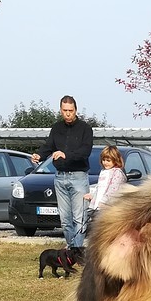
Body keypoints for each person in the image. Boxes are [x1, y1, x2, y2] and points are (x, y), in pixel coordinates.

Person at [31, 95, 94, 249]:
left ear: (76, 110)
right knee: (65, 220)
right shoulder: (56, 128)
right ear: (60, 110)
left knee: (79, 218)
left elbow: (85, 151)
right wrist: (39, 155)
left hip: (79, 176)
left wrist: (67, 155)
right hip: (59, 177)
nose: (68, 113)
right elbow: (48, 146)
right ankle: (72, 249)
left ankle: (76, 251)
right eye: (65, 110)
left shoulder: (85, 128)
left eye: (70, 111)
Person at [84, 146, 127, 220]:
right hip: (98, 207)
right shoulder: (103, 172)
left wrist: (103, 202)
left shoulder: (117, 173)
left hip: (108, 207)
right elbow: (99, 188)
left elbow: (113, 190)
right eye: (103, 160)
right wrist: (92, 195)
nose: (105, 163)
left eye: (108, 160)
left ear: (115, 160)